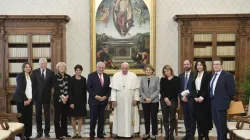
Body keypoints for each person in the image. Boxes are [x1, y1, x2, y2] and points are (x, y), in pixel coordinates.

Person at [110, 62, 140, 139]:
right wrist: (113, 99)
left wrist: (136, 99)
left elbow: (136, 90)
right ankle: (118, 133)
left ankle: (129, 134)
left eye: (126, 68)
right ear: (121, 68)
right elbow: (113, 90)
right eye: (123, 68)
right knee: (119, 117)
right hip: (119, 101)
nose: (124, 70)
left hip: (130, 100)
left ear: (128, 68)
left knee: (130, 116)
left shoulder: (133, 76)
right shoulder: (116, 76)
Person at [210, 58, 235, 140]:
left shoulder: (228, 75)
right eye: (214, 64)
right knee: (217, 125)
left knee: (222, 125)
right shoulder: (213, 76)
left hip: (222, 104)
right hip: (213, 103)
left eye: (217, 64)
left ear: (221, 65)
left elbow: (231, 91)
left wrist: (226, 101)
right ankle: (219, 138)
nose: (215, 66)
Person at [87, 62, 111, 140]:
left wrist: (106, 96)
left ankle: (100, 134)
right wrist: (96, 96)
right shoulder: (91, 75)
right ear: (96, 67)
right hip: (94, 101)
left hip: (103, 101)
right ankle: (92, 135)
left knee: (101, 119)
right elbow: (89, 88)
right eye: (99, 67)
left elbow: (109, 89)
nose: (101, 69)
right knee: (93, 119)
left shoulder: (107, 76)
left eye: (102, 68)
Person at [32, 58, 54, 138]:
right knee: (38, 115)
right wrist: (33, 96)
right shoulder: (34, 72)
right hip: (37, 97)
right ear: (39, 64)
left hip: (46, 97)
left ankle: (47, 132)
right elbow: (33, 85)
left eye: (44, 63)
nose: (43, 65)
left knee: (47, 115)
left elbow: (52, 84)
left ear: (46, 64)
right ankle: (39, 132)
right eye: (41, 63)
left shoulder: (51, 72)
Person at [191, 59, 213, 140]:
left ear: (203, 66)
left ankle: (206, 135)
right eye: (197, 65)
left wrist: (202, 97)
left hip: (205, 99)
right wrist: (195, 97)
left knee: (205, 118)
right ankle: (200, 135)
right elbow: (192, 88)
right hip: (196, 99)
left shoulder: (208, 75)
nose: (199, 66)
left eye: (200, 65)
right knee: (198, 118)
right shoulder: (194, 75)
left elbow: (207, 87)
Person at [12, 62, 33, 140]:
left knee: (29, 118)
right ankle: (21, 135)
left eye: (29, 67)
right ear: (23, 68)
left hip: (29, 100)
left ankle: (27, 135)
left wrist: (30, 99)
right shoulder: (20, 75)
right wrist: (25, 100)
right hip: (21, 100)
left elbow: (31, 89)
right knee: (22, 118)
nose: (28, 68)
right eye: (26, 67)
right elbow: (20, 89)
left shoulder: (31, 76)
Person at [160, 65, 181, 140]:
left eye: (168, 71)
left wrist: (170, 100)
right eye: (165, 71)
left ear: (171, 70)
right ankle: (167, 134)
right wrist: (166, 98)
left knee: (172, 118)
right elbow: (161, 90)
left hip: (173, 100)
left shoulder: (177, 79)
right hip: (163, 100)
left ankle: (171, 134)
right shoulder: (162, 79)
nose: (167, 73)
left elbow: (176, 90)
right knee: (165, 117)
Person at [139, 64, 160, 140]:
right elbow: (140, 90)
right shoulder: (142, 79)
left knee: (154, 118)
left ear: (152, 70)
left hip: (154, 101)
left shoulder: (157, 78)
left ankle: (154, 134)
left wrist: (150, 98)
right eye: (147, 70)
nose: (148, 71)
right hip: (144, 102)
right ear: (145, 71)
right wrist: (145, 98)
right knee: (146, 117)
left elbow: (158, 90)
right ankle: (147, 133)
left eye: (150, 69)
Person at [52, 62, 71, 139]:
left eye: (63, 67)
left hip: (66, 100)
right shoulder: (55, 77)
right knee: (57, 118)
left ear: (65, 68)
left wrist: (67, 97)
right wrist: (63, 97)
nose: (62, 68)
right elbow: (56, 89)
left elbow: (70, 88)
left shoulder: (68, 77)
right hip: (58, 100)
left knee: (64, 117)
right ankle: (58, 134)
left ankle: (64, 133)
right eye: (60, 67)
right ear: (58, 68)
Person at [179, 60, 196, 140]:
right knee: (185, 118)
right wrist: (181, 97)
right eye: (184, 64)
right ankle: (187, 134)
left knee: (192, 118)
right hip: (183, 100)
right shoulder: (181, 76)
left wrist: (187, 97)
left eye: (187, 64)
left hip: (191, 100)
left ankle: (192, 135)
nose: (186, 65)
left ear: (191, 65)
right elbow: (179, 89)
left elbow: (195, 89)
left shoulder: (195, 75)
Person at [69, 64, 87, 139]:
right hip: (73, 101)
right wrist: (71, 102)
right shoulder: (71, 79)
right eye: (77, 70)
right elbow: (70, 91)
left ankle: (79, 133)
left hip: (81, 101)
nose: (78, 71)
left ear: (81, 71)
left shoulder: (84, 79)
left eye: (79, 70)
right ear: (75, 71)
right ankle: (74, 132)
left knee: (80, 117)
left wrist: (85, 102)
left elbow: (84, 91)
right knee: (73, 117)